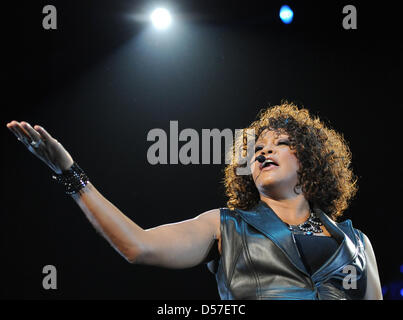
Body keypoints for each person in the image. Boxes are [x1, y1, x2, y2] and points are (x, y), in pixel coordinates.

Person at [6, 102, 382, 300]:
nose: (264, 152)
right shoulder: (224, 226)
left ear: (310, 160)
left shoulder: (357, 243)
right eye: (257, 149)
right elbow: (137, 246)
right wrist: (71, 175)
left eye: (280, 144)